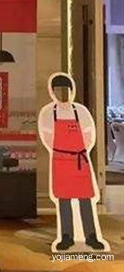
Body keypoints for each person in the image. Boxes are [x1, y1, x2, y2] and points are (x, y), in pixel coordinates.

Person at [38, 72, 108, 252]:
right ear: (53, 92)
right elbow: (47, 136)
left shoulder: (81, 111)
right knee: (64, 200)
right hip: (60, 161)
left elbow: (89, 133)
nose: (62, 94)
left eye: (65, 90)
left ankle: (91, 236)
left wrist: (78, 150)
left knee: (85, 199)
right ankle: (66, 237)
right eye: (58, 90)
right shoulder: (48, 113)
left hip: (79, 160)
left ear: (71, 91)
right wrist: (62, 152)